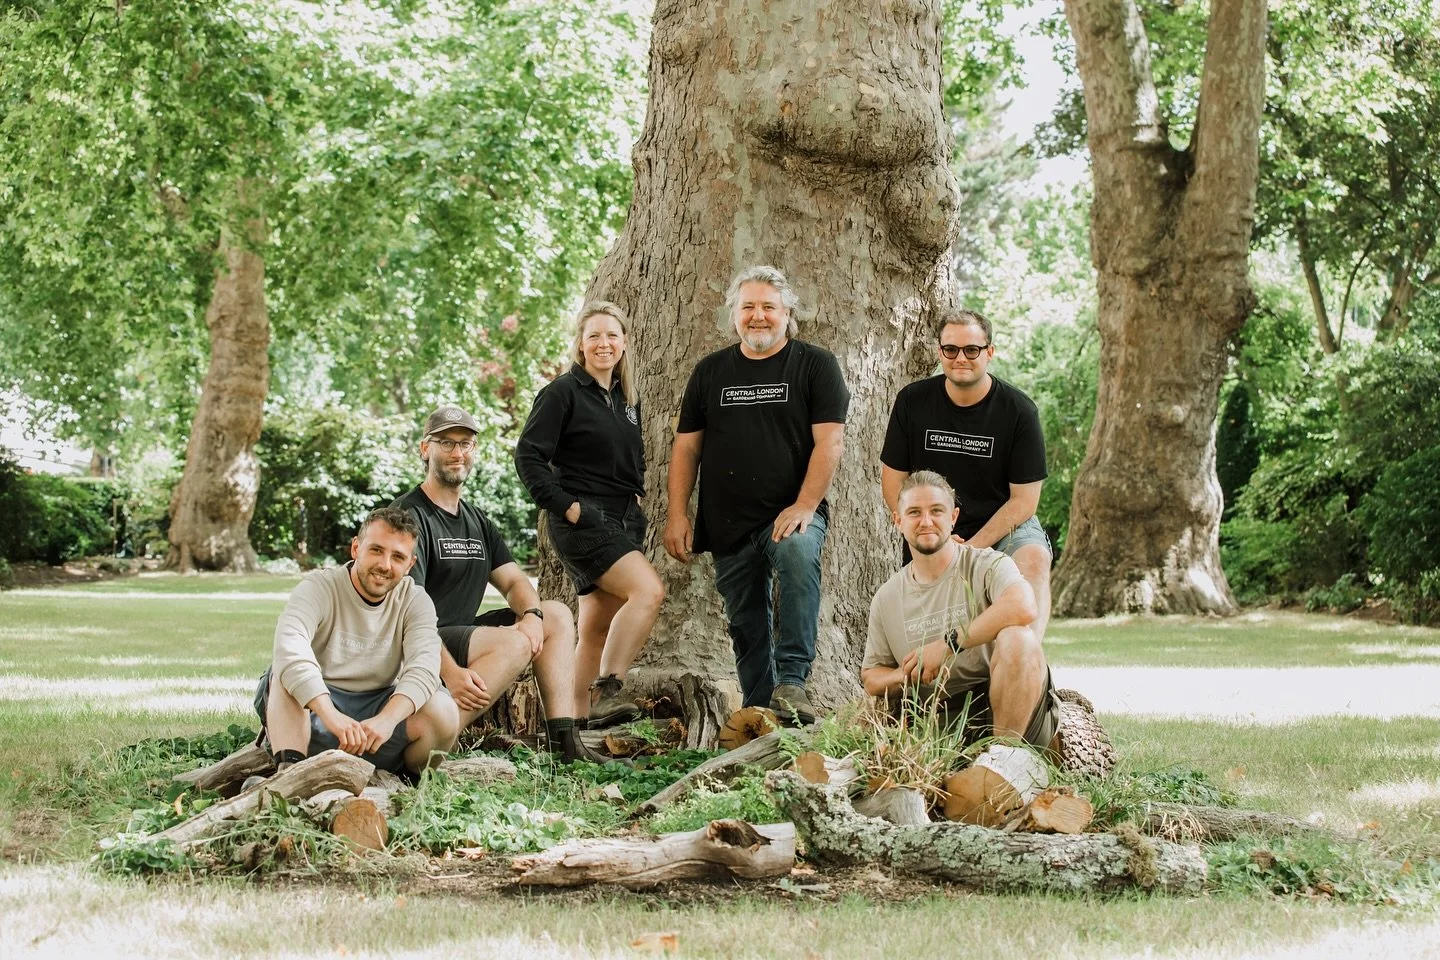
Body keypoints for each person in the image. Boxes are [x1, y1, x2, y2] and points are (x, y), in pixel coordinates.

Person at [663, 265, 849, 725]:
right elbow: (687, 448)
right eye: (748, 307)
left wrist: (805, 504)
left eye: (769, 307)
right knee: (744, 620)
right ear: (734, 314)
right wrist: (677, 514)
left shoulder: (815, 365)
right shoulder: (710, 371)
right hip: (727, 519)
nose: (758, 316)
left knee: (799, 556)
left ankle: (793, 682)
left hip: (791, 513)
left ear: (788, 314)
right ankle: (760, 711)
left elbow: (830, 442)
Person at [392, 405, 609, 763]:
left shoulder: (476, 520)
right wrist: (450, 672)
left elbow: (513, 582)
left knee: (554, 614)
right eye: (446, 443)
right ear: (425, 449)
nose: (457, 452)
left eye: (465, 443)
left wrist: (532, 615)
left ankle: (566, 747)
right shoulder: (408, 517)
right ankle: (428, 746)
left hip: (461, 636)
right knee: (515, 643)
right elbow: (405, 613)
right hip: (420, 643)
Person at [514, 302, 663, 728]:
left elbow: (630, 459)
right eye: (594, 335)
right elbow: (528, 456)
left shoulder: (626, 398)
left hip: (624, 519)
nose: (603, 343)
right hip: (583, 520)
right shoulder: (562, 393)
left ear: (624, 342)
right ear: (580, 344)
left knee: (596, 627)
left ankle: (575, 726)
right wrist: (569, 506)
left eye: (612, 335)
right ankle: (607, 691)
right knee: (648, 592)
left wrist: (635, 500)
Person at [880, 308, 1053, 638]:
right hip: (936, 523)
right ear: (939, 352)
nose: (961, 358)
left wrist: (969, 549)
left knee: (1034, 559)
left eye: (972, 349)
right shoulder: (912, 401)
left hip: (1004, 524)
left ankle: (1026, 656)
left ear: (990, 352)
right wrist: (932, 531)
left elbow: (1024, 502)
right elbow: (893, 481)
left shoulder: (1019, 411)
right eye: (951, 349)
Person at [862, 471, 1060, 749]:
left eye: (936, 511)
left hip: (1015, 709)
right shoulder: (887, 598)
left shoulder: (987, 563)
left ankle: (1004, 758)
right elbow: (871, 676)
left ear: (953, 518)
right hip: (945, 722)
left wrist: (948, 644)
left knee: (1019, 638)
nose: (926, 521)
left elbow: (1023, 605)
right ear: (898, 520)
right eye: (914, 512)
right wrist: (905, 675)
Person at [255, 506, 459, 776]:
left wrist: (386, 721)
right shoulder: (319, 587)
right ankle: (290, 773)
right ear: (356, 548)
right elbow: (290, 648)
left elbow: (424, 667)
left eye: (398, 557)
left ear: (410, 565)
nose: (385, 565)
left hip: (379, 720)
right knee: (283, 673)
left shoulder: (415, 601)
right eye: (376, 550)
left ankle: (403, 780)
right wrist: (331, 716)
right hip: (315, 715)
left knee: (444, 709)